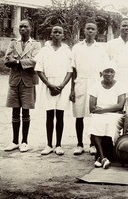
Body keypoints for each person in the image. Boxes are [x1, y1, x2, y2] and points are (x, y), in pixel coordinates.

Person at [70, 19, 109, 155]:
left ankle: (93, 144)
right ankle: (79, 144)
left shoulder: (101, 49)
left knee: (94, 115)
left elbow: (103, 70)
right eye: (88, 28)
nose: (90, 31)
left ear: (97, 32)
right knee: (79, 115)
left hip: (95, 83)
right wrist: (72, 90)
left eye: (93, 29)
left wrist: (102, 89)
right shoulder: (76, 47)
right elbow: (73, 70)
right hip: (80, 82)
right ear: (84, 30)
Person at [4, 19, 41, 152]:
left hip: (28, 81)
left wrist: (18, 62)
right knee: (15, 110)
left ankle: (24, 141)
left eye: (25, 26)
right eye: (20, 27)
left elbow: (35, 61)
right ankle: (14, 141)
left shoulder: (36, 45)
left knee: (25, 110)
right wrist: (19, 62)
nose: (22, 29)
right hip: (14, 80)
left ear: (30, 28)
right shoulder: (14, 43)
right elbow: (7, 60)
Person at [35, 25, 72, 155]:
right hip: (48, 84)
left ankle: (58, 145)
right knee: (50, 115)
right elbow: (39, 70)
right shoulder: (45, 50)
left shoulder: (67, 50)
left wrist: (61, 86)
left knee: (60, 116)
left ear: (63, 35)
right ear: (51, 34)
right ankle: (49, 144)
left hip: (63, 85)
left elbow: (70, 71)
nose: (57, 33)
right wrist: (49, 85)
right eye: (55, 31)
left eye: (60, 32)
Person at [88, 61, 127, 169]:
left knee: (111, 122)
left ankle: (101, 157)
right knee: (95, 121)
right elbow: (91, 108)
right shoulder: (95, 86)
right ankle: (103, 157)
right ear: (102, 73)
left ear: (114, 73)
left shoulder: (120, 85)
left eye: (111, 71)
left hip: (115, 115)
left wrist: (102, 110)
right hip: (99, 115)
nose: (109, 74)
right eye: (106, 71)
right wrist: (101, 111)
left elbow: (119, 106)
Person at [106, 18, 128, 95]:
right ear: (119, 28)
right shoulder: (110, 44)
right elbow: (106, 66)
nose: (126, 28)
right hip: (115, 81)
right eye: (124, 26)